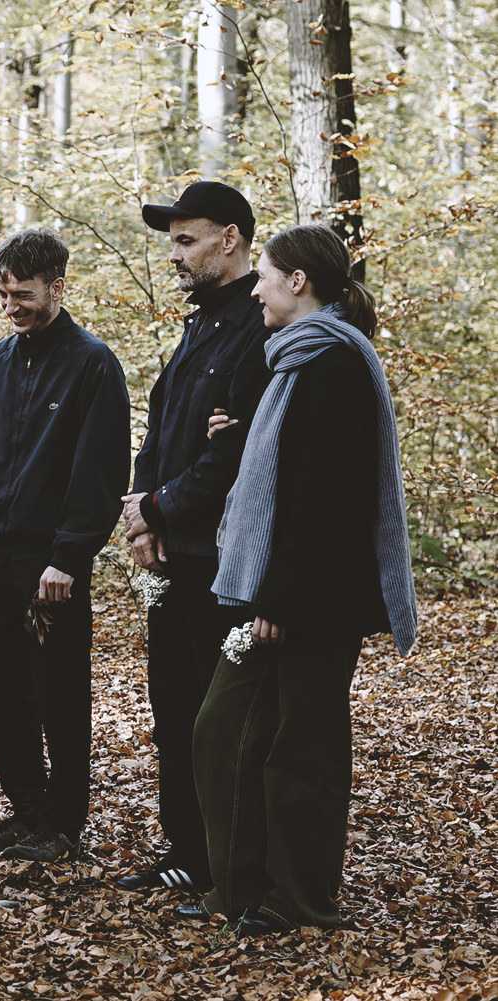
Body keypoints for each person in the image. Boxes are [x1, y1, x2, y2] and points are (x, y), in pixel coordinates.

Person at [182, 223, 417, 934]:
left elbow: (325, 496)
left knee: (301, 749)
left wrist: (278, 596)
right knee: (228, 732)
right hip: (288, 588)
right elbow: (293, 463)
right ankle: (244, 885)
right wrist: (245, 427)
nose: (254, 285)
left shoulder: (332, 362)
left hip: (313, 597)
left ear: (298, 282)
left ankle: (300, 898)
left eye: (267, 274)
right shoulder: (298, 361)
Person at [0, 229, 130, 862]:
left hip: (53, 562)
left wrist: (69, 557)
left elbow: (100, 472)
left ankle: (64, 824)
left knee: (60, 694)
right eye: (2, 294)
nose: (10, 306)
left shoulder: (92, 364)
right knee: (5, 690)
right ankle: (24, 813)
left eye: (22, 294)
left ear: (57, 286)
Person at [115, 181, 272, 894]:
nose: (173, 254)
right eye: (171, 240)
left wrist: (162, 507)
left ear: (230, 239)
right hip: (172, 556)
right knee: (171, 712)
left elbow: (235, 452)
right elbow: (159, 432)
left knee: (220, 720)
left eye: (186, 240)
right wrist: (138, 510)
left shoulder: (259, 324)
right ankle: (185, 849)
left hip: (222, 562)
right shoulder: (196, 325)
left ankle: (225, 861)